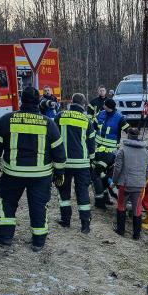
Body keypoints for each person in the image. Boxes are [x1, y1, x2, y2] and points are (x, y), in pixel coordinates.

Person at [0, 86, 66, 251]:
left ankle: (5, 236)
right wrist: (59, 172)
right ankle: (38, 241)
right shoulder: (48, 124)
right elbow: (59, 152)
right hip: (41, 176)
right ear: (39, 102)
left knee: (7, 202)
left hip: (12, 173)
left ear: (22, 100)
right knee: (38, 205)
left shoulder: (7, 119)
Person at [54, 93, 95, 234]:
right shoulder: (87, 120)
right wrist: (91, 160)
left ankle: (65, 221)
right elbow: (91, 143)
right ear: (83, 105)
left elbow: (53, 138)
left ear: (71, 102)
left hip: (64, 163)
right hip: (82, 164)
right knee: (82, 193)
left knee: (64, 192)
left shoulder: (60, 116)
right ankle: (85, 225)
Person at [113, 128, 148, 240]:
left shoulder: (122, 150)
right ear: (138, 136)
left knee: (121, 206)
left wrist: (115, 180)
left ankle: (120, 231)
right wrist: (142, 180)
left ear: (128, 136)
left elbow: (117, 168)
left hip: (124, 184)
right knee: (137, 209)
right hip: (139, 185)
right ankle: (136, 235)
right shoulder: (147, 152)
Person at [92, 98, 129, 209]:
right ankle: (105, 198)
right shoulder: (100, 114)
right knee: (102, 175)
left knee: (97, 173)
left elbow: (129, 130)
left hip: (110, 152)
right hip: (98, 150)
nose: (103, 106)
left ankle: (101, 201)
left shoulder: (119, 118)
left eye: (104, 105)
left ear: (108, 107)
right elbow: (92, 127)